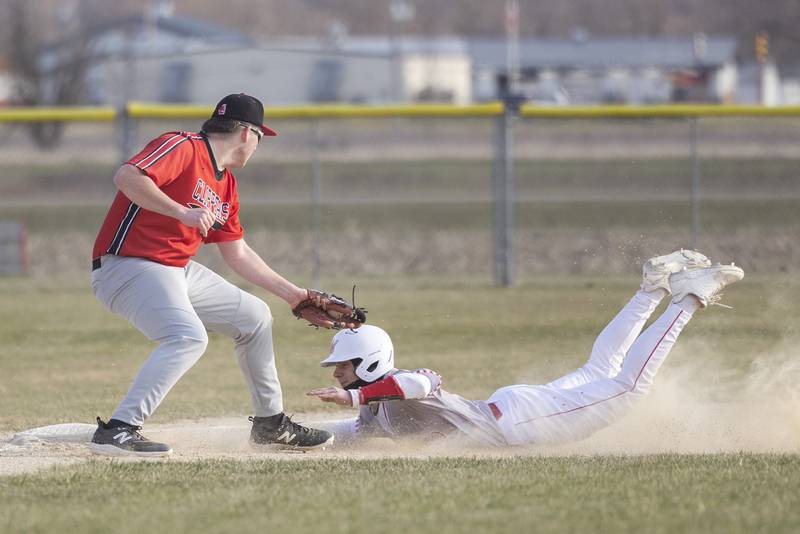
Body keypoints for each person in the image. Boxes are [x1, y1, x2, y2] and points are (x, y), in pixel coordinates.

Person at [90, 93, 333, 456]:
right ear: (247, 134)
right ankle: (120, 429)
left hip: (175, 269)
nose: (258, 146)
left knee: (254, 317)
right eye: (261, 138)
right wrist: (179, 212)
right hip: (126, 265)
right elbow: (126, 176)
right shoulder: (182, 146)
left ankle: (271, 424)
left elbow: (237, 252)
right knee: (188, 338)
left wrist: (293, 294)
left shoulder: (227, 186)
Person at [307, 250, 744, 448]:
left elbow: (421, 382)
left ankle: (688, 297)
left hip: (521, 423)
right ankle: (651, 289)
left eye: (342, 365)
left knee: (627, 388)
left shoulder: (394, 388)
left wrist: (355, 394)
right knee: (601, 368)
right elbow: (348, 433)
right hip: (515, 408)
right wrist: (283, 431)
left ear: (367, 362)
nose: (335, 372)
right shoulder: (374, 409)